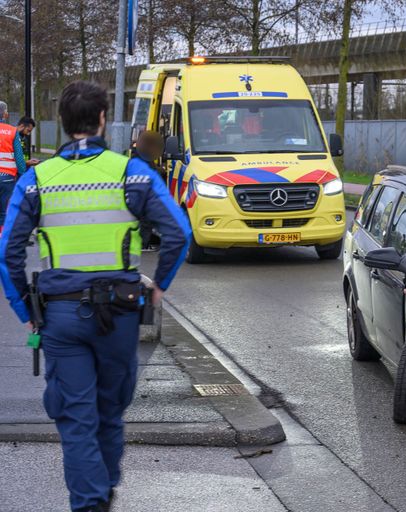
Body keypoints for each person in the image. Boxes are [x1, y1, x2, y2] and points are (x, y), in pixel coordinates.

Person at [0, 81, 191, 512]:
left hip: (61, 316)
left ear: (63, 124)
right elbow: (179, 232)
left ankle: (92, 502)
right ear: (103, 119)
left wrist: (25, 311)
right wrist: (159, 286)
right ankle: (101, 493)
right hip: (120, 315)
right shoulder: (132, 173)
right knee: (109, 412)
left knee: (76, 418)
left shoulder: (37, 179)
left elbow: (8, 250)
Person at [0, 101, 30, 235]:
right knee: (4, 213)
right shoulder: (12, 131)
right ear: (5, 114)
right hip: (7, 179)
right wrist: (23, 173)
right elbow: (19, 158)